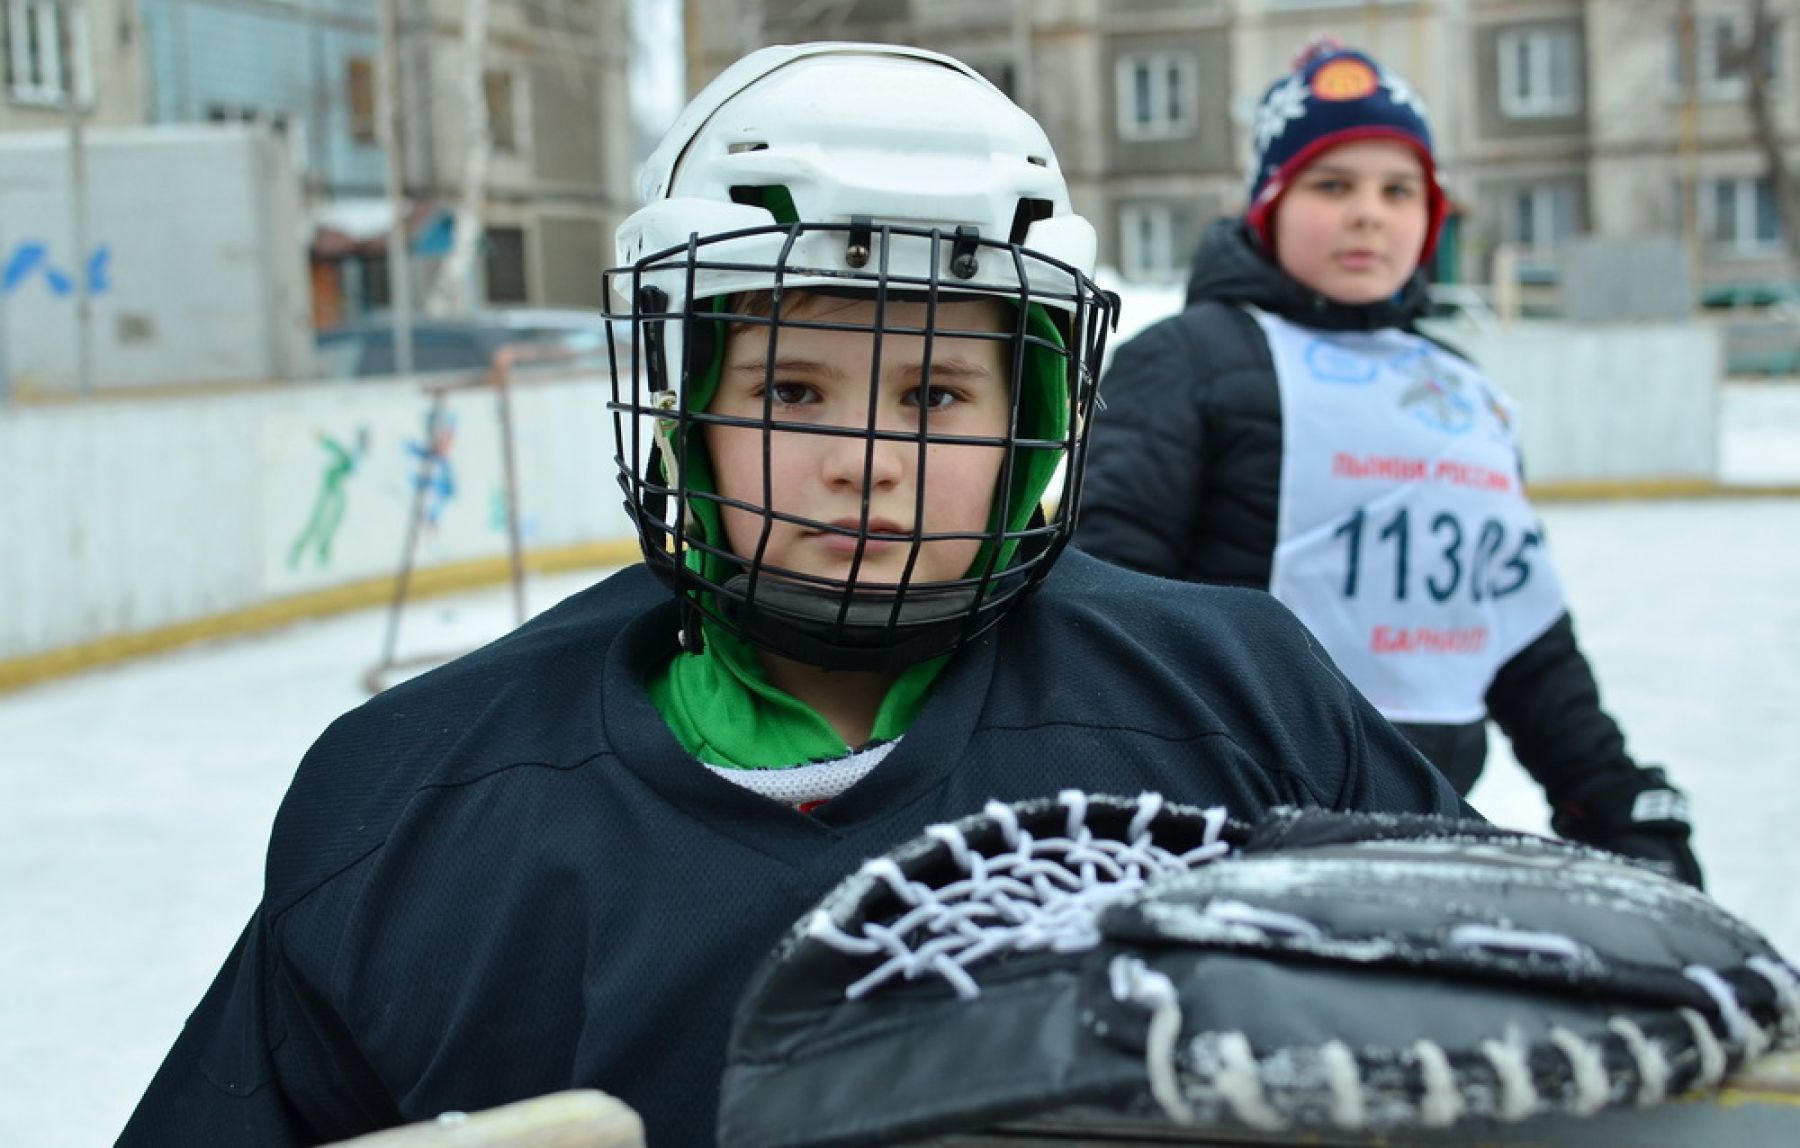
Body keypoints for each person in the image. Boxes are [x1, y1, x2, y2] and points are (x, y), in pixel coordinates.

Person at [119, 43, 1470, 1148]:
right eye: (790, 391)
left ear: (1041, 417)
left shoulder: (1245, 708)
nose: (866, 462)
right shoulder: (417, 809)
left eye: (936, 394)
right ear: (691, 411)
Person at [1074, 40, 1702, 887]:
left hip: (1426, 824)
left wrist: (1609, 800)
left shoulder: (1460, 388)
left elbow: (1522, 631)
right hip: (1225, 831)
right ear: (1269, 204)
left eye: (1398, 190)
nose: (1369, 213)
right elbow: (1104, 602)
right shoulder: (1186, 359)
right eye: (1332, 186)